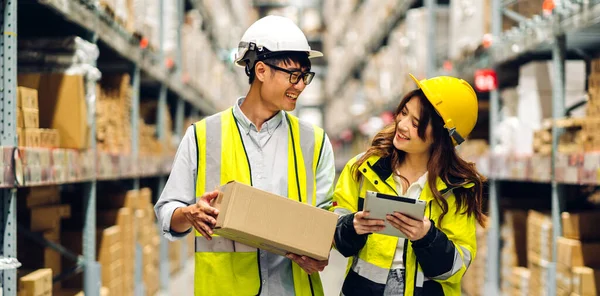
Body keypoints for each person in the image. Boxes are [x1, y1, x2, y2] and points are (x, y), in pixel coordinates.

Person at [154, 15, 335, 296]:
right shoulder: (203, 136)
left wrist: (322, 250)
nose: (300, 85)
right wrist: (189, 214)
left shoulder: (315, 141)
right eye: (293, 75)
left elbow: (326, 219)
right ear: (261, 70)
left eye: (305, 76)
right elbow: (167, 211)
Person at [331, 74, 487, 296]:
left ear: (440, 137)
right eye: (403, 113)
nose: (402, 125)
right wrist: (352, 226)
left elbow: (456, 269)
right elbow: (334, 233)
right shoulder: (362, 169)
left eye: (416, 123)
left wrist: (427, 237)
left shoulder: (458, 189)